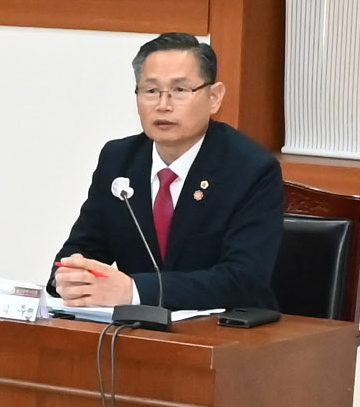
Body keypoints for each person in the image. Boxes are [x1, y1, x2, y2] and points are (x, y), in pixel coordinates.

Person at [51, 31, 286, 314]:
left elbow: (243, 280)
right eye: (151, 91)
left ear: (214, 97)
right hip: (135, 336)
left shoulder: (251, 169)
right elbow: (79, 252)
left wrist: (134, 291)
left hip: (226, 338)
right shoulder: (119, 161)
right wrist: (70, 278)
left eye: (180, 91)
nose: (163, 105)